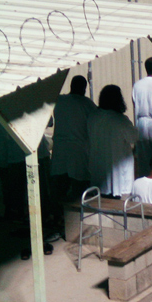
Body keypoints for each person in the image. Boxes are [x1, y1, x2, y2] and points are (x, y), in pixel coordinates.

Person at [50, 75, 97, 211]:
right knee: (78, 184)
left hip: (60, 148)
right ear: (83, 88)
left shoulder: (59, 100)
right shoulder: (86, 103)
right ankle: (75, 213)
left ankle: (56, 213)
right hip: (78, 149)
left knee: (59, 183)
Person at [88, 85, 139, 199]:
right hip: (118, 178)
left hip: (98, 174)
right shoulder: (120, 120)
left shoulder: (93, 117)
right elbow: (134, 137)